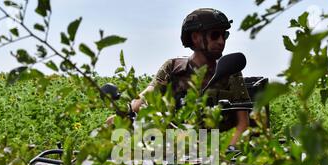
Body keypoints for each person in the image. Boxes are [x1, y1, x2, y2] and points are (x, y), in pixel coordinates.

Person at [106, 8, 251, 148]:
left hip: (216, 151)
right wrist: (124, 112)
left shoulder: (230, 71)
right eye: (215, 35)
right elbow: (148, 94)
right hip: (175, 149)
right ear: (195, 37)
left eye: (224, 35)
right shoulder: (173, 67)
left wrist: (227, 154)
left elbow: (242, 124)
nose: (221, 41)